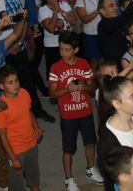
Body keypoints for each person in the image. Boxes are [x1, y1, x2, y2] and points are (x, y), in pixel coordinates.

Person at [49, 31, 103, 191]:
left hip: (85, 112)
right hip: (68, 116)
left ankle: (91, 168)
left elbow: (92, 86)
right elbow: (52, 94)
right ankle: (69, 179)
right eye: (61, 49)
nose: (63, 53)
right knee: (68, 148)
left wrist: (85, 87)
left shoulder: (83, 64)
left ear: (76, 50)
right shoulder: (56, 67)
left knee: (91, 142)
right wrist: (66, 89)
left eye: (66, 49)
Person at [0, 65, 43, 191]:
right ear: (1, 86)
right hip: (16, 150)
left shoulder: (24, 93)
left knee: (34, 177)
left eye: (16, 80)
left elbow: (28, 111)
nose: (15, 84)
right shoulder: (1, 107)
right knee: (17, 185)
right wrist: (13, 158)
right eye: (10, 82)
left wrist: (36, 126)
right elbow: (2, 136)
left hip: (32, 143)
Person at [39, 0, 77, 79]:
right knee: (56, 75)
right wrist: (55, 11)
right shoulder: (42, 10)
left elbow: (73, 21)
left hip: (68, 43)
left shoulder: (64, 4)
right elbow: (51, 29)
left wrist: (59, 9)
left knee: (71, 71)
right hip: (53, 46)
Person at [75, 0, 106, 72]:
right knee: (94, 60)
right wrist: (98, 11)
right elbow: (84, 19)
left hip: (105, 32)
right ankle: (96, 82)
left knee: (108, 58)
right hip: (91, 34)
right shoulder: (81, 0)